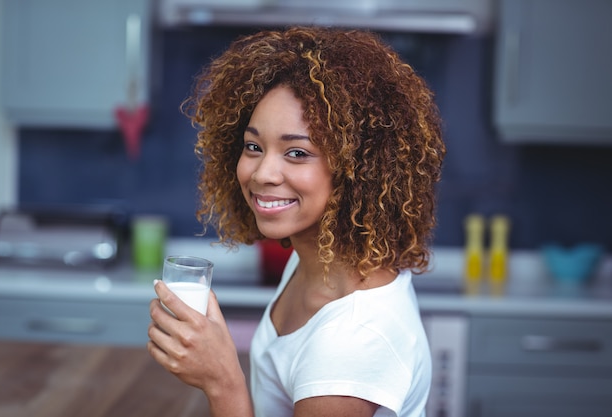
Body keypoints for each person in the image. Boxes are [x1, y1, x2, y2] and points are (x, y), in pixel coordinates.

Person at [147, 26, 445, 417]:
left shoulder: (349, 345)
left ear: (356, 171)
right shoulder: (316, 263)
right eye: (254, 146)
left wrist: (221, 383)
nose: (262, 173)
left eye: (297, 153)